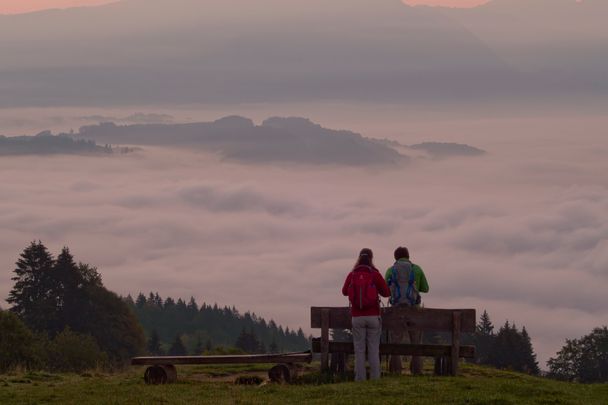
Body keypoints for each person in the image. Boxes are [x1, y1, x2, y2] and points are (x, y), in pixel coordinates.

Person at [342, 248, 390, 381]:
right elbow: (386, 292)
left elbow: (344, 291)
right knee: (374, 350)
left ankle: (360, 379)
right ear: (371, 258)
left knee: (359, 350)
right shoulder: (374, 274)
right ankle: (375, 378)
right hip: (373, 316)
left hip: (357, 317)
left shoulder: (352, 274)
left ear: (359, 258)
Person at [385, 246, 429, 375]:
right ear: (408, 256)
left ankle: (396, 371)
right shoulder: (417, 269)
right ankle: (416, 371)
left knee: (395, 343)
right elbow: (426, 288)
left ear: (395, 257)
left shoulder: (390, 270)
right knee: (416, 343)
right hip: (414, 311)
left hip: (396, 312)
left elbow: (385, 290)